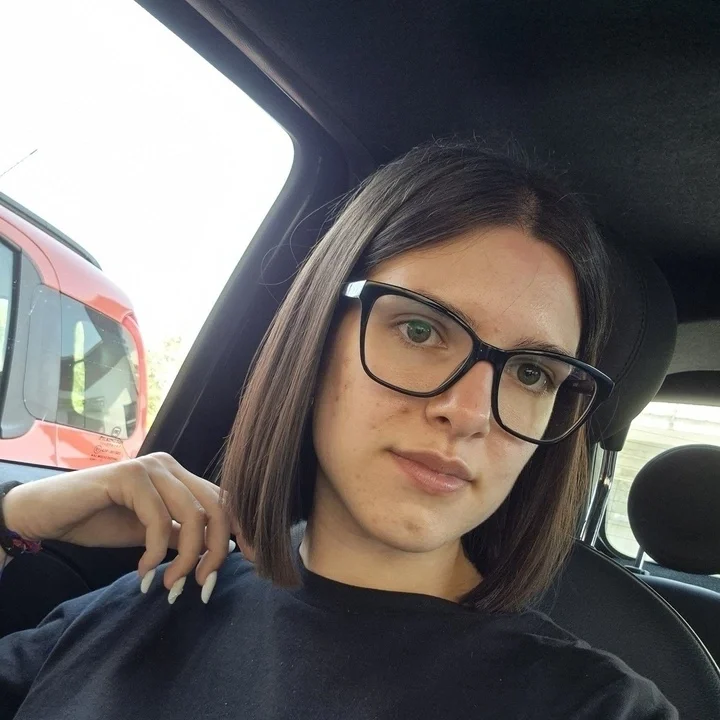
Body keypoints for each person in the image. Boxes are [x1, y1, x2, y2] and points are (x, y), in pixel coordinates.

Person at [0, 141, 677, 719]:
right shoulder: (153, 601)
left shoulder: (595, 706)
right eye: (420, 330)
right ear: (317, 335)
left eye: (531, 373)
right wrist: (16, 517)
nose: (470, 413)